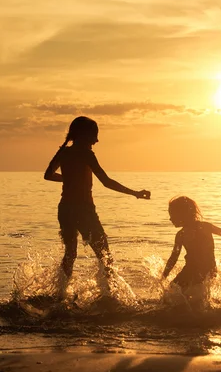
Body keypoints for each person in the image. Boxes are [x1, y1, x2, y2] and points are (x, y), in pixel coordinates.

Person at [44, 116, 150, 278]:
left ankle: (61, 293)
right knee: (104, 255)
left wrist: (70, 178)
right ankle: (110, 295)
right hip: (83, 210)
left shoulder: (64, 152)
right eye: (94, 135)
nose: (96, 140)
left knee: (70, 254)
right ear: (84, 135)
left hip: (65, 209)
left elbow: (48, 175)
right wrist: (135, 193)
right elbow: (106, 182)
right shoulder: (87, 154)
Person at [161, 196, 221, 290]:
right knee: (196, 291)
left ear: (182, 214)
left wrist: (164, 276)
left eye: (172, 215)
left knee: (172, 290)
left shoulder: (182, 234)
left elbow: (173, 258)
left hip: (194, 270)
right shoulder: (202, 228)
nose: (170, 219)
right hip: (208, 268)